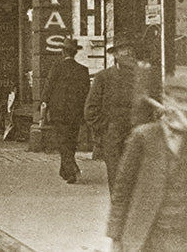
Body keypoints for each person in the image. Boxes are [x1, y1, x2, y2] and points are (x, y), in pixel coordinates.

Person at [106, 72, 187, 252]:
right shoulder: (144, 137)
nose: (182, 108)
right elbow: (122, 191)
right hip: (147, 237)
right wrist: (115, 237)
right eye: (178, 101)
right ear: (165, 101)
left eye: (186, 103)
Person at [86, 38, 155, 193]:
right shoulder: (104, 77)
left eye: (130, 50)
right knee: (118, 181)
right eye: (124, 51)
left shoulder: (142, 77)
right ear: (116, 55)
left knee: (138, 182)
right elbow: (90, 110)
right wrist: (106, 130)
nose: (129, 53)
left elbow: (150, 106)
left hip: (138, 136)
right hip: (113, 139)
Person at [41, 38, 91, 184]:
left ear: (63, 52)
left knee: (62, 141)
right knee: (71, 141)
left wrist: (44, 104)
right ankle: (65, 171)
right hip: (76, 113)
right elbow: (86, 93)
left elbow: (48, 87)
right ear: (75, 53)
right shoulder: (83, 70)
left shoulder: (57, 67)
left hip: (59, 112)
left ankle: (71, 169)